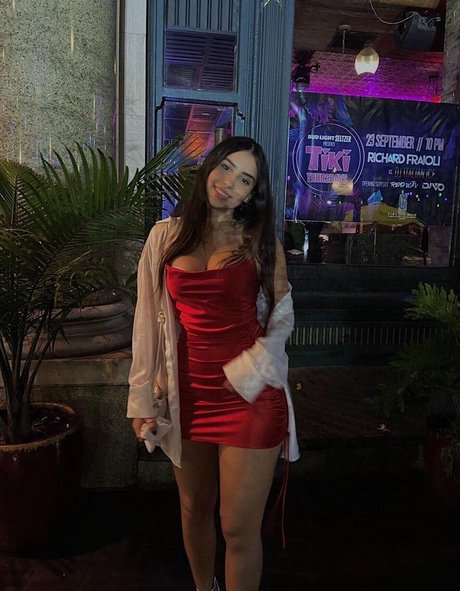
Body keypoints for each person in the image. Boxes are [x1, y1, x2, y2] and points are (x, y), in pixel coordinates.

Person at [127, 136, 300, 591]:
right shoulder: (165, 236)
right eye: (225, 167)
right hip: (187, 393)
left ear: (252, 194)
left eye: (244, 180)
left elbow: (283, 315)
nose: (228, 183)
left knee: (237, 528)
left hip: (250, 396)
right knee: (193, 510)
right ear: (209, 167)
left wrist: (250, 369)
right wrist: (143, 398)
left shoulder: (259, 241)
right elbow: (146, 320)